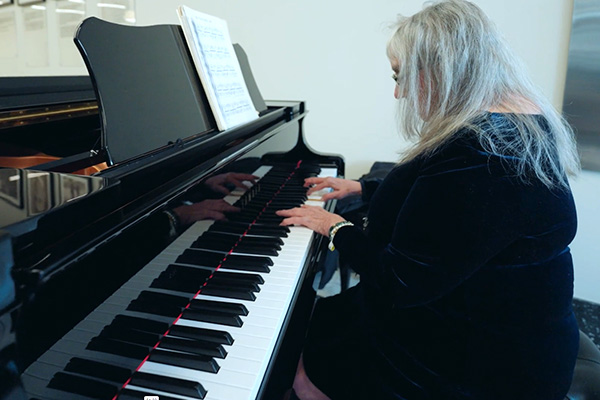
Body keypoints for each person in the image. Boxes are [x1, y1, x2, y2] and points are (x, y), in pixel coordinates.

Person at [276, 1, 581, 399]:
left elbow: (400, 282)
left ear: (440, 69)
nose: (399, 93)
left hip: (483, 365)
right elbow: (451, 212)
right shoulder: (516, 119)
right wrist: (365, 189)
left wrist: (335, 228)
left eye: (400, 76)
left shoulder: (482, 155)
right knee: (318, 319)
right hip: (497, 321)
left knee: (299, 359)